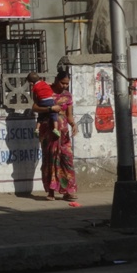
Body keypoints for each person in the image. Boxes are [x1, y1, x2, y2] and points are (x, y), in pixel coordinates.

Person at [32, 70, 78, 201]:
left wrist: (73, 124)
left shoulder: (67, 95)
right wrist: (50, 109)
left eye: (67, 84)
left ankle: (69, 191)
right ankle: (51, 191)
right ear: (57, 80)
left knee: (67, 159)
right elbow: (34, 107)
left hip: (63, 133)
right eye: (63, 83)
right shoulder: (46, 90)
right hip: (48, 130)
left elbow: (69, 115)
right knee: (51, 159)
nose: (65, 86)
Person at [27, 71, 59, 137]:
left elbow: (34, 97)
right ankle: (55, 129)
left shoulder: (34, 87)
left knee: (40, 116)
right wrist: (53, 85)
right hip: (50, 100)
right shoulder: (44, 82)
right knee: (54, 114)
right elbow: (51, 84)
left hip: (41, 101)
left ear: (31, 82)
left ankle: (37, 129)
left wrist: (37, 102)